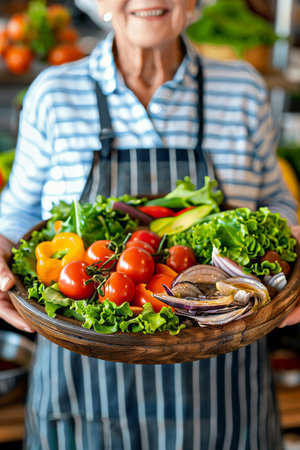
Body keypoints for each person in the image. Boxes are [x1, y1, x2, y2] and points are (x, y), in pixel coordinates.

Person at [0, 0, 299, 448]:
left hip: (222, 392)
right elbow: (21, 213)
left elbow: (274, 198)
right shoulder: (54, 94)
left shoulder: (242, 90)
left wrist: (290, 239)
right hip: (83, 391)